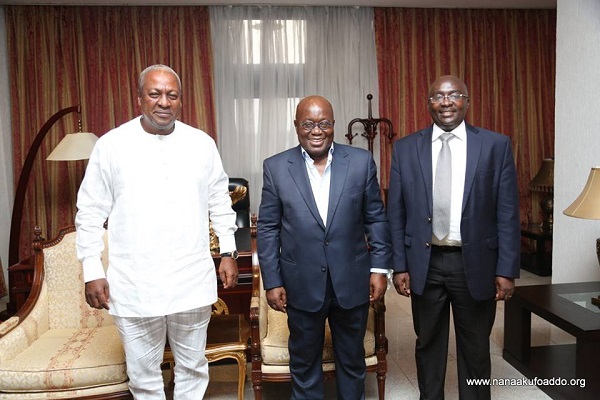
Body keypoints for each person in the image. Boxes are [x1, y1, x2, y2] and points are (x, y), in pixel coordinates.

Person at [75, 64, 239, 399]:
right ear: (139, 99)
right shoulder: (110, 146)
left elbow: (220, 201)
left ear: (180, 101)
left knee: (193, 369)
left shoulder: (201, 144)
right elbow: (90, 212)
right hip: (134, 284)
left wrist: (227, 251)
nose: (163, 102)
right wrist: (92, 269)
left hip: (190, 280)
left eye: (172, 95)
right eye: (155, 94)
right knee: (143, 377)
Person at [387, 75, 520, 400]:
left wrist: (506, 269)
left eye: (454, 95)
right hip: (425, 263)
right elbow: (396, 212)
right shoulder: (405, 148)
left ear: (467, 101)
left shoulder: (495, 145)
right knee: (428, 344)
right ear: (428, 103)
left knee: (475, 349)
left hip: (475, 263)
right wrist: (399, 265)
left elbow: (507, 211)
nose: (445, 102)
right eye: (437, 96)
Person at [257, 95, 392, 399]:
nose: (316, 131)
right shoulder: (276, 167)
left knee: (352, 361)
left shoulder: (359, 162)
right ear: (296, 126)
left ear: (333, 125)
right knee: (304, 364)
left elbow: (376, 219)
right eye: (308, 124)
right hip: (300, 283)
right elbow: (267, 228)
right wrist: (273, 280)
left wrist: (380, 268)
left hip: (351, 280)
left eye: (324, 123)